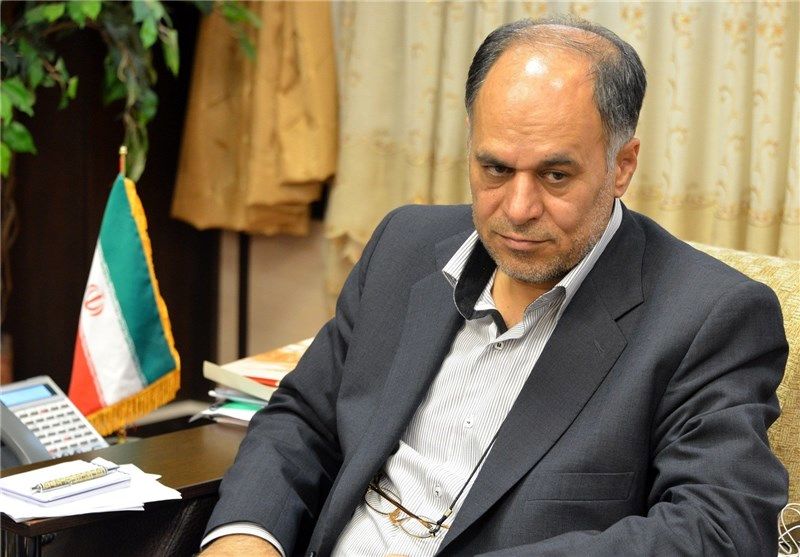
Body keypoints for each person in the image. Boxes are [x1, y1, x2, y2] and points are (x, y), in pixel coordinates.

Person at [200, 16, 788, 557]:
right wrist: (245, 535)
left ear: (622, 165)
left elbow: (721, 529)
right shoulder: (405, 246)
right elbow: (303, 419)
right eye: (496, 170)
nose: (518, 208)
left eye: (555, 175)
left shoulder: (709, 317)